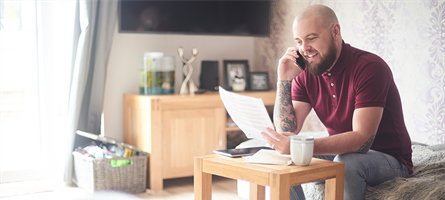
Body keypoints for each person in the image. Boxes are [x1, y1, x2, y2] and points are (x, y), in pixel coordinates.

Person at [260, 4, 412, 200]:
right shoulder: (306, 73)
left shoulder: (370, 68)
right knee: (284, 155)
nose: (304, 49)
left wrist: (301, 146)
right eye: (299, 41)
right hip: (343, 153)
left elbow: (361, 141)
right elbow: (287, 131)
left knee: (346, 162)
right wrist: (284, 80)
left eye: (311, 38)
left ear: (335, 31)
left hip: (391, 160)